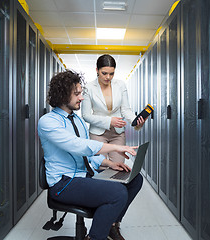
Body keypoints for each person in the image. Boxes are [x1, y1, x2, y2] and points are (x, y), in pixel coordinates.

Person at [38, 70, 143, 240]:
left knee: (134, 179)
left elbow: (88, 155)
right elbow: (79, 146)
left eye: (81, 93)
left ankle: (109, 224)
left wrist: (110, 165)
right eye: (77, 94)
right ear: (63, 95)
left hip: (84, 176)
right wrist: (114, 148)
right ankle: (95, 237)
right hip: (63, 183)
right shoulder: (48, 122)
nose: (82, 98)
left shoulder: (77, 120)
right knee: (118, 193)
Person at [81, 54, 146, 164]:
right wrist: (109, 121)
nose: (108, 77)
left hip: (118, 133)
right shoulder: (89, 88)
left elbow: (126, 109)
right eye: (104, 73)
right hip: (97, 133)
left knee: (118, 167)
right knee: (101, 167)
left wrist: (136, 122)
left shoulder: (120, 85)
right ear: (97, 70)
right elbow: (86, 115)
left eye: (111, 74)